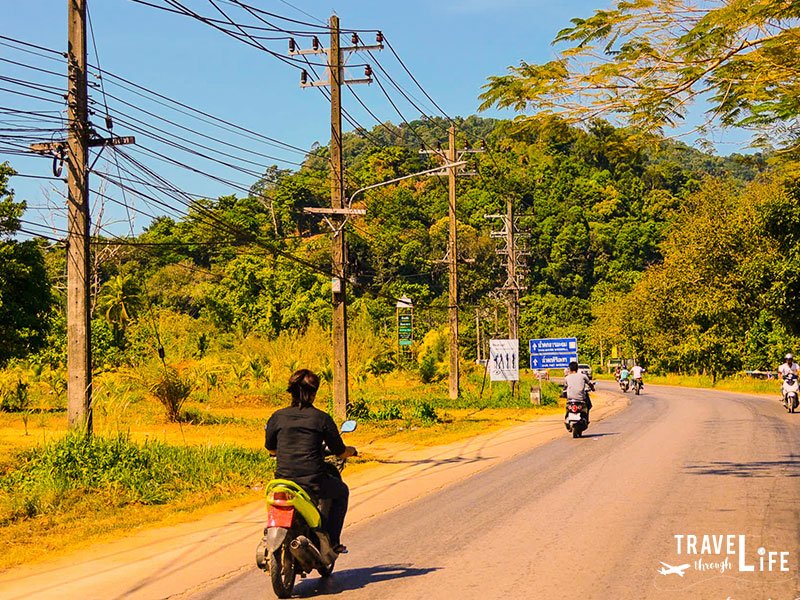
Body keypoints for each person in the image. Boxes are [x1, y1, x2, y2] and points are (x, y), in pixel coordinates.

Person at [265, 369, 357, 553]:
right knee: (341, 491)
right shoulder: (321, 418)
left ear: (291, 391)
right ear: (314, 393)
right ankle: (332, 541)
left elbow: (271, 449)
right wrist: (352, 451)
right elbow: (340, 452)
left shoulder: (277, 416)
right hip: (313, 481)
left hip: (283, 481)